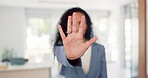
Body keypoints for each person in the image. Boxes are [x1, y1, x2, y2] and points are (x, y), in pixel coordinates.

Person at [53, 7, 107, 78]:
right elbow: (62, 56)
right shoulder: (61, 47)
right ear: (67, 26)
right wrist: (71, 58)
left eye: (80, 22)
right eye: (72, 23)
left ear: (87, 25)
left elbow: (103, 75)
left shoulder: (100, 49)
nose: (77, 26)